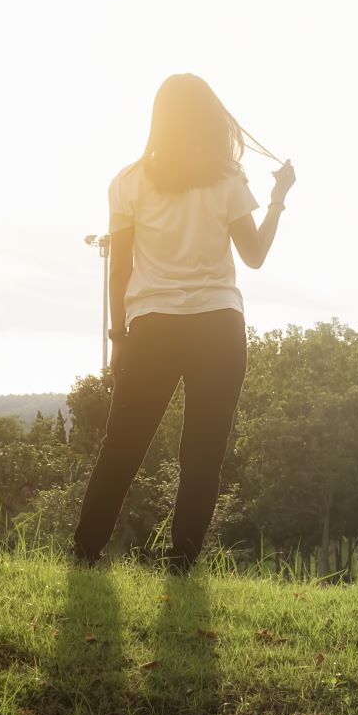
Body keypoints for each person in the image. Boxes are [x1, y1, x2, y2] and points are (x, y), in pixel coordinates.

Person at [70, 73, 296, 574]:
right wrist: (279, 199)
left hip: (152, 328)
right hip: (219, 328)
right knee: (202, 455)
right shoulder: (227, 179)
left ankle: (85, 556)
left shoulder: (126, 182)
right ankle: (181, 567)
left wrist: (118, 336)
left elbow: (120, 267)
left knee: (122, 447)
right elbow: (254, 256)